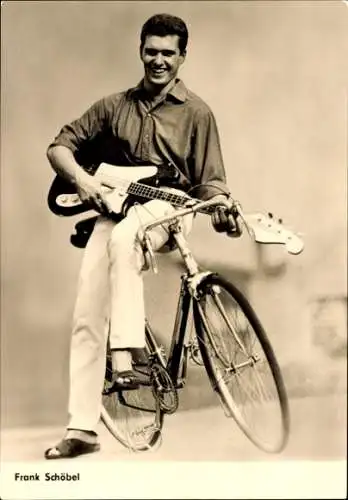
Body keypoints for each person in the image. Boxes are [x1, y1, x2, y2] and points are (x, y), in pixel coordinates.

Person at [45, 13, 241, 459]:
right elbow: (59, 147)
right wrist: (84, 181)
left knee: (126, 238)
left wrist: (222, 210)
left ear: (182, 57)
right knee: (87, 310)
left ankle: (126, 356)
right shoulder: (113, 106)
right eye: (151, 51)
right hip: (115, 207)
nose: (158, 61)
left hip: (168, 208)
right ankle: (82, 429)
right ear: (140, 50)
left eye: (167, 53)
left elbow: (211, 181)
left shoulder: (198, 113)